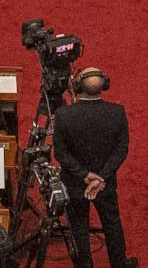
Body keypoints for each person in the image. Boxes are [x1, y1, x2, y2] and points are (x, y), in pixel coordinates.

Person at [54, 68, 132, 268]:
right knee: (112, 224)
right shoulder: (117, 112)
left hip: (75, 183)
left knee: (79, 226)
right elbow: (121, 150)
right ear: (104, 87)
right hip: (105, 184)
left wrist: (86, 176)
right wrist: (101, 178)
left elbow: (61, 154)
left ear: (78, 87)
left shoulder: (63, 115)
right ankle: (119, 264)